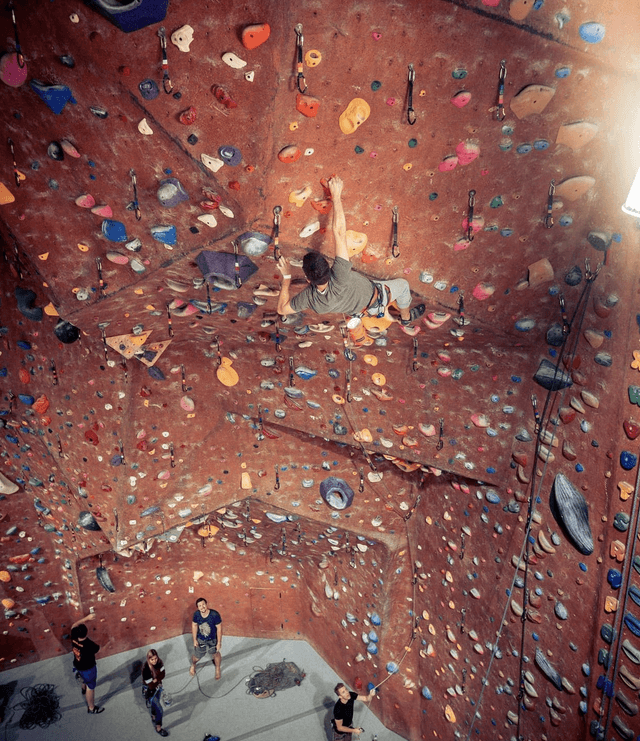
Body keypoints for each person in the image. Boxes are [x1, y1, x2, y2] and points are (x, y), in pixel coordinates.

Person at [276, 176, 424, 326]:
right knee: (404, 286)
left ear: (308, 280)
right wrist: (336, 195)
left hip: (362, 309)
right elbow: (339, 232)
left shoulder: (313, 301)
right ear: (329, 267)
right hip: (378, 296)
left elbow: (282, 309)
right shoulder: (340, 275)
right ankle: (405, 318)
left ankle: (394, 314)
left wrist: (287, 277)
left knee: (378, 290)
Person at [70, 612, 104, 714]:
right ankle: (91, 708)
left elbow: (74, 625)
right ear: (86, 632)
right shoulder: (89, 645)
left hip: (78, 664)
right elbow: (99, 649)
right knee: (91, 687)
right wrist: (109, 642)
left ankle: (83, 688)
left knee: (83, 678)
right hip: (88, 669)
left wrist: (86, 618)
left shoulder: (73, 637)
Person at [190, 597, 222, 679]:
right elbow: (194, 625)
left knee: (215, 654)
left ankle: (217, 668)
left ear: (206, 604)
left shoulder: (214, 614)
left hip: (212, 640)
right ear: (197, 607)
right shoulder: (196, 614)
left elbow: (219, 628)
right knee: (196, 657)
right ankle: (193, 665)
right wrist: (194, 640)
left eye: (203, 604)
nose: (202, 607)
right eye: (200, 605)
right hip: (201, 640)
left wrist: (218, 643)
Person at [143, 648, 169, 736]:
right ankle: (158, 728)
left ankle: (153, 715)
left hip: (157, 688)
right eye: (152, 659)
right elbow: (150, 685)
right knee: (160, 710)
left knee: (155, 704)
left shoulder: (160, 662)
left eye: (155, 658)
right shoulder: (145, 668)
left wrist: (156, 680)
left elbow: (163, 674)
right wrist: (155, 682)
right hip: (150, 691)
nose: (154, 661)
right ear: (148, 659)